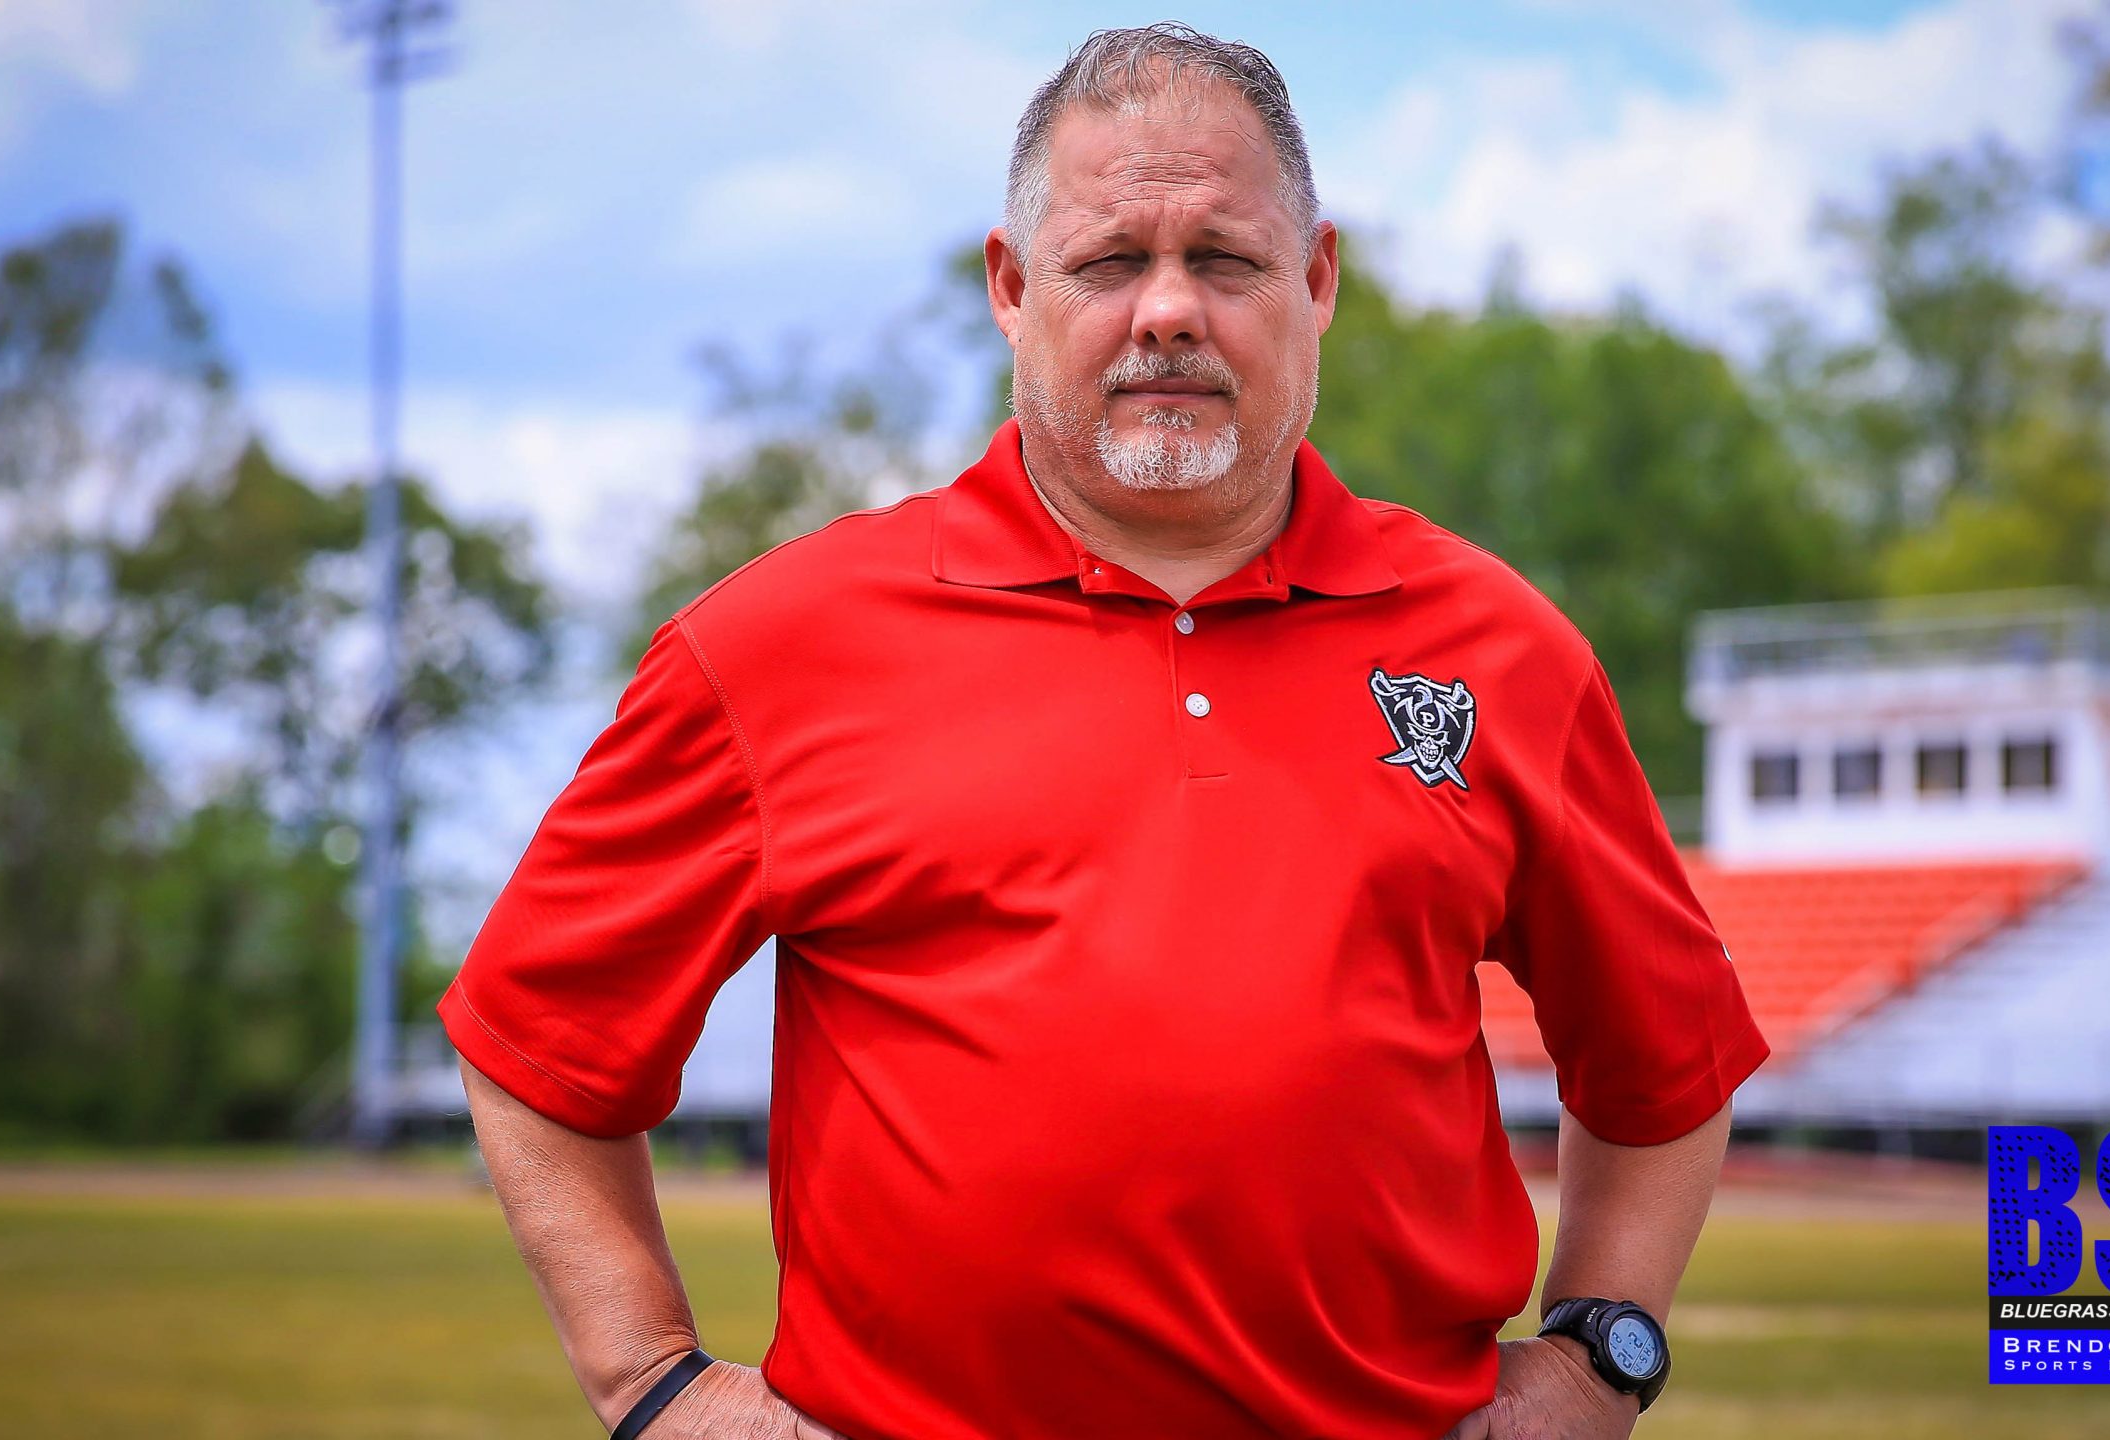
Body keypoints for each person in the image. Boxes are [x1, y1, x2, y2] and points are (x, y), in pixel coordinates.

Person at [443, 22, 1768, 1440]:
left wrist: (1600, 1358)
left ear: (1318, 281)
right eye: (1111, 260)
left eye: (1227, 259)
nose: (1169, 311)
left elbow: (1666, 1058)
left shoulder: (1500, 649)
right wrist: (653, 1384)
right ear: (1013, 289)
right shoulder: (779, 643)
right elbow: (536, 1036)